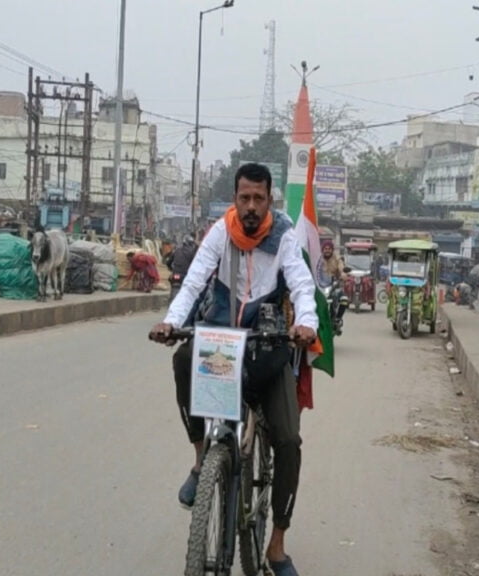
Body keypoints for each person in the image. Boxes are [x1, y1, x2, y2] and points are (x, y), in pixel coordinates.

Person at [150, 162, 317, 576]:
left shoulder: (283, 235)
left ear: (270, 199)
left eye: (259, 198)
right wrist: (171, 321)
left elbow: (301, 283)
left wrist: (306, 323)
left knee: (289, 440)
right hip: (221, 346)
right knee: (183, 360)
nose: (251, 206)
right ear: (234, 198)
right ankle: (202, 458)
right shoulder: (221, 232)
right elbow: (192, 282)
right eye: (244, 197)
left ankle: (276, 544)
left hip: (267, 349)